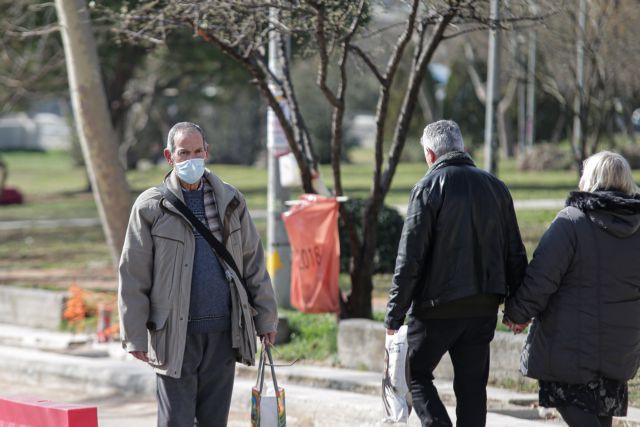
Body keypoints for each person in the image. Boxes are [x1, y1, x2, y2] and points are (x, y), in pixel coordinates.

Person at [118, 122, 278, 426]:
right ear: (169, 156)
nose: (192, 159)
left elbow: (252, 262)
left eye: (197, 151)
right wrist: (134, 335)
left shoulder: (231, 201)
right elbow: (133, 275)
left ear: (207, 151)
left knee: (214, 421)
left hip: (223, 334)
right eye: (183, 153)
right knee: (175, 421)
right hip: (174, 336)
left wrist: (266, 318)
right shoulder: (151, 207)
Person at [384, 120, 527, 427]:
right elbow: (515, 252)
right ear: (462, 148)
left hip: (436, 307)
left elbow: (410, 258)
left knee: (415, 374)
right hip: (483, 306)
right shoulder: (497, 187)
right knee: (473, 387)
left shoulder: (427, 187)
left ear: (430, 154)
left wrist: (394, 315)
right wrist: (519, 309)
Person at [504, 151, 640, 427]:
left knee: (576, 410)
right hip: (620, 349)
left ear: (589, 179)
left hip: (571, 350)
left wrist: (517, 313)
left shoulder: (572, 222)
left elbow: (541, 278)